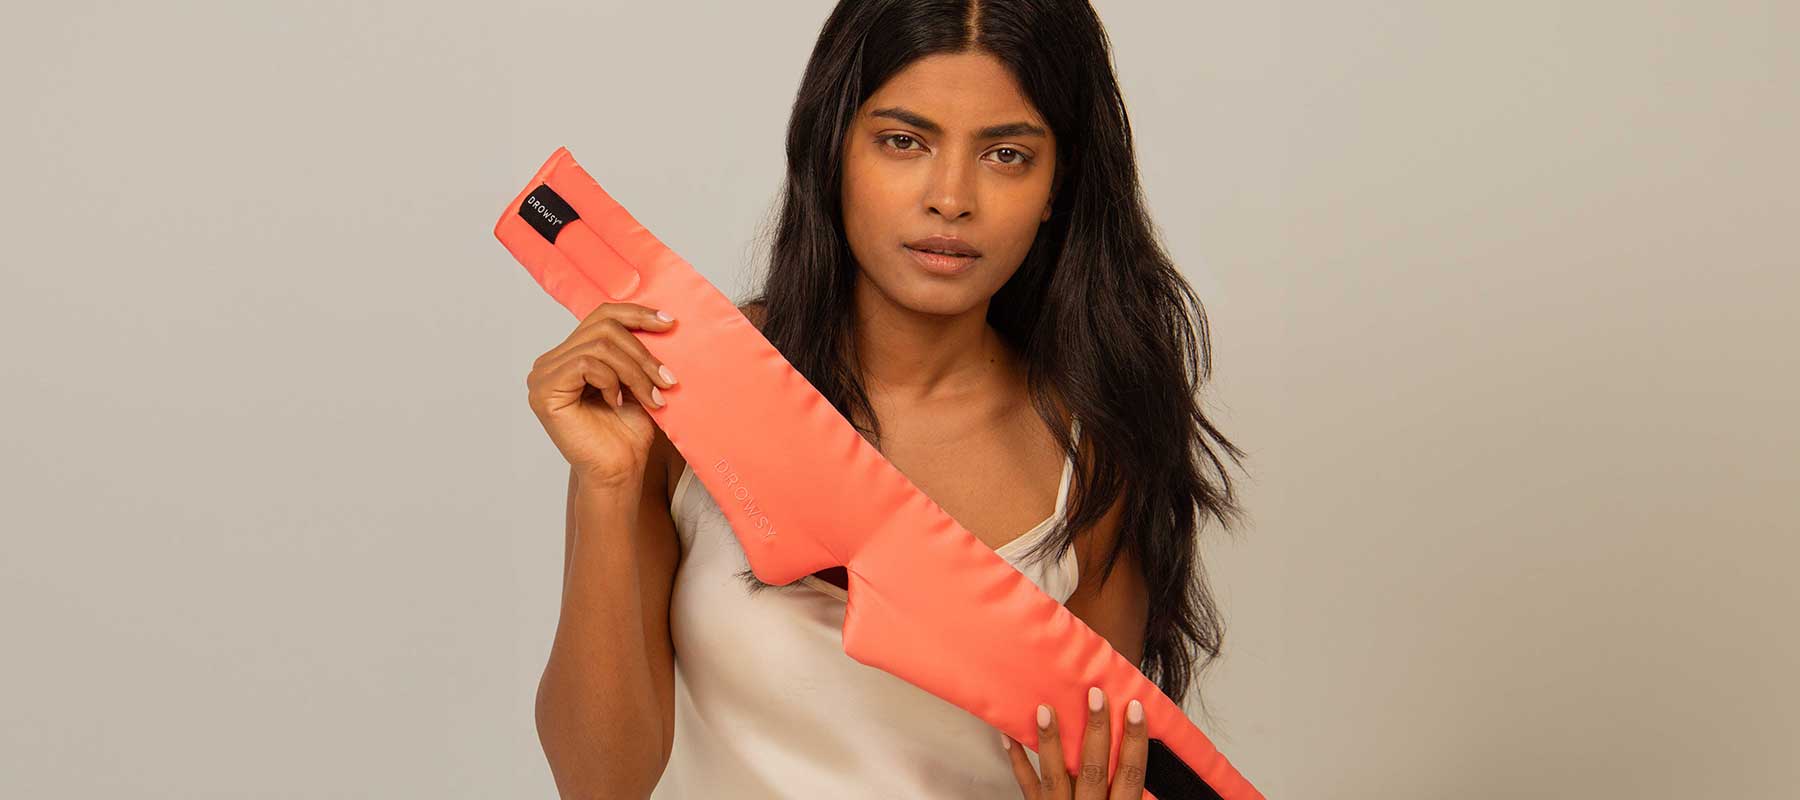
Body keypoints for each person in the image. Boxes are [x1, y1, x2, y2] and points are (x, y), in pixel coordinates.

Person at [524, 1, 1248, 797]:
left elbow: (1103, 767)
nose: (950, 197)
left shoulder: (1094, 447)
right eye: (904, 141)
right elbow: (598, 784)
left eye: (1006, 154)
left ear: (1057, 187)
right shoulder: (687, 384)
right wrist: (609, 483)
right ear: (833, 149)